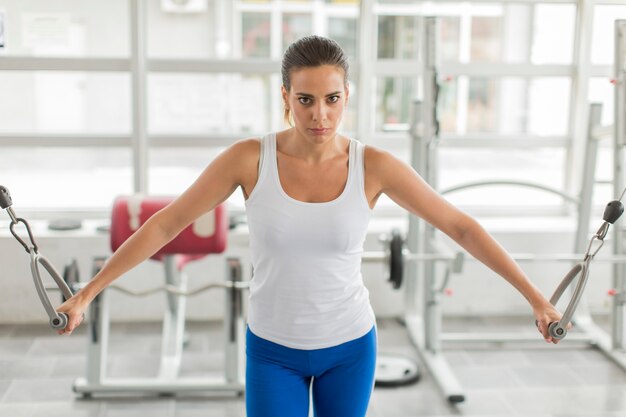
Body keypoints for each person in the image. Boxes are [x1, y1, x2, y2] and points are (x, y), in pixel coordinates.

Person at [57, 35, 564, 417]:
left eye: (331, 99)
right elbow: (165, 225)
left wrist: (536, 298)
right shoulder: (248, 159)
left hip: (350, 345)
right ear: (285, 97)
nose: (320, 115)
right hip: (273, 350)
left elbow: (461, 227)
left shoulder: (376, 166)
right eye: (305, 100)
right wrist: (88, 293)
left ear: (347, 95)